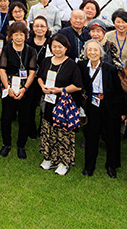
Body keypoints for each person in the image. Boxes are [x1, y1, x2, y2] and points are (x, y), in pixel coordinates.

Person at [37, 34, 82, 175]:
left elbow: (78, 86)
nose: (57, 49)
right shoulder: (46, 61)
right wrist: (42, 86)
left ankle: (64, 162)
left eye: (60, 47)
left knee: (63, 133)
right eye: (54, 46)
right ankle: (49, 158)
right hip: (48, 101)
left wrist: (60, 90)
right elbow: (39, 77)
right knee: (47, 130)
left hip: (63, 104)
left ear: (66, 48)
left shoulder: (72, 65)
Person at [80, 39, 124, 178]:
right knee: (91, 136)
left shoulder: (110, 68)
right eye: (90, 50)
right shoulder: (81, 66)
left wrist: (123, 111)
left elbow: (119, 91)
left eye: (95, 50)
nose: (92, 52)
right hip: (92, 105)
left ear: (101, 53)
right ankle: (89, 166)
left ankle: (111, 166)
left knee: (112, 136)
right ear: (86, 52)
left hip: (109, 104)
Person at [0, 22, 37, 159]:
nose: (19, 37)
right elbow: (2, 70)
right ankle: (6, 144)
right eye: (16, 34)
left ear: (25, 36)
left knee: (24, 118)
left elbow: (32, 72)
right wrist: (8, 88)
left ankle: (21, 145)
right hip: (8, 87)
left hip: (25, 89)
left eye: (22, 34)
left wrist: (24, 89)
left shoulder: (31, 50)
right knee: (6, 117)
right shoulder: (7, 49)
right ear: (11, 36)